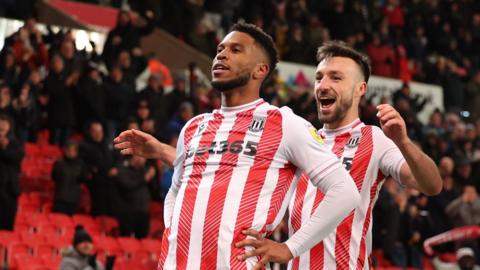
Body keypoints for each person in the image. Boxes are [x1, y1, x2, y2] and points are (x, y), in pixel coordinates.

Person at [114, 23, 360, 269]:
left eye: (236, 50)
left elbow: (344, 191)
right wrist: (174, 232)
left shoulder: (284, 124)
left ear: (260, 70)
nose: (222, 54)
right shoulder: (193, 127)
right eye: (220, 48)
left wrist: (289, 248)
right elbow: (175, 193)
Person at [286, 41, 442, 269]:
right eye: (319, 77)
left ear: (360, 89)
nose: (323, 85)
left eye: (336, 78)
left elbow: (432, 185)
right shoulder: (303, 140)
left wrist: (403, 142)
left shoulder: (373, 138)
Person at [0, 113, 24, 230]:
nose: (2, 126)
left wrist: (3, 149)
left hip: (10, 188)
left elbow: (17, 157)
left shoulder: (15, 142)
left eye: (5, 123)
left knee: (7, 223)